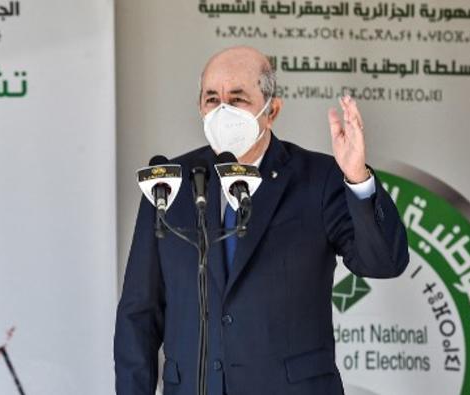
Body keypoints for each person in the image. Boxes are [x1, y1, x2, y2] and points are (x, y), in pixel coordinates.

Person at [114, 46, 409, 395]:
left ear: (272, 111)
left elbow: (384, 262)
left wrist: (358, 179)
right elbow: (140, 311)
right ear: (200, 107)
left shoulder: (318, 178)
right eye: (212, 99)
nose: (223, 110)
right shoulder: (169, 184)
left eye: (237, 99)